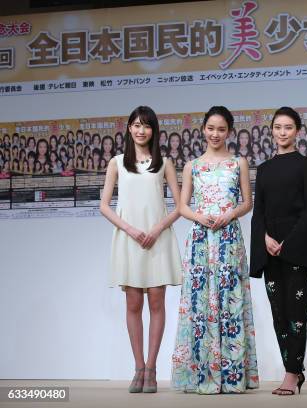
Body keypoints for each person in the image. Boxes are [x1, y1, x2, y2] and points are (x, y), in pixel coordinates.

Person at [172, 106, 259, 394]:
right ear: (203, 130)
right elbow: (183, 206)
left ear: (229, 132)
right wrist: (199, 217)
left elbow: (248, 202)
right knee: (200, 304)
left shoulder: (239, 163)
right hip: (200, 240)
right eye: (211, 128)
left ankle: (232, 376)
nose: (215, 134)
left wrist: (229, 214)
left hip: (228, 239)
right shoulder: (192, 166)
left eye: (221, 129)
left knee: (229, 301)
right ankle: (201, 375)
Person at [100, 106, 182, 393]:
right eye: (136, 125)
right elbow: (104, 205)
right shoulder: (117, 162)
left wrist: (157, 229)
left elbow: (180, 206)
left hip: (157, 240)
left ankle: (152, 368)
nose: (140, 130)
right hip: (130, 239)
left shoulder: (165, 163)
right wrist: (131, 230)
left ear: (153, 130)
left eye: (146, 126)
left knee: (157, 304)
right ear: (129, 128)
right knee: (133, 304)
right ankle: (137, 367)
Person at [250, 107, 307, 396]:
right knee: (278, 313)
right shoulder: (264, 169)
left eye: (288, 127)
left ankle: (292, 373)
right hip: (270, 250)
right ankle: (292, 368)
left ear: (298, 131)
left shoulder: (306, 165)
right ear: (271, 130)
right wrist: (266, 238)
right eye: (278, 127)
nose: (283, 132)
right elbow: (259, 213)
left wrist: (288, 242)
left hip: (297, 249)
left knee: (296, 313)